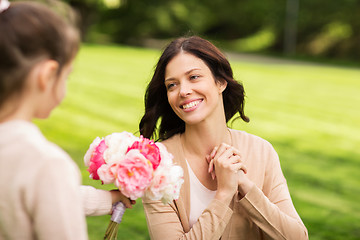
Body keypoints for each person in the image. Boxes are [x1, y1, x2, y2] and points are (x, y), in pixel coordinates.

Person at [139, 36, 308, 239]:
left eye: (193, 77)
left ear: (220, 82)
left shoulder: (261, 152)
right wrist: (224, 194)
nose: (183, 91)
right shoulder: (157, 163)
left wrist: (244, 185)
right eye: (172, 85)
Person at [0, 1, 134, 239]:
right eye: (67, 76)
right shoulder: (46, 163)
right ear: (48, 75)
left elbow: (50, 196)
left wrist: (109, 199)